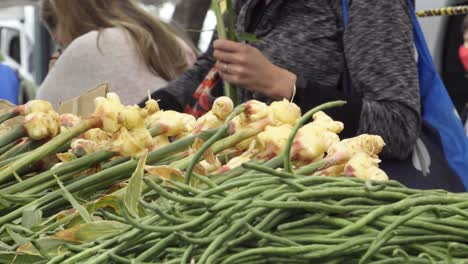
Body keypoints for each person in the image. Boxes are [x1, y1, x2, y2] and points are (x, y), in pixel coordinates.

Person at [147, 0, 420, 161]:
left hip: (323, 214)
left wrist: (287, 87)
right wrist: (147, 113)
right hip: (245, 197)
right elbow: (210, 66)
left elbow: (399, 127)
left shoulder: (368, 5)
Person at [37, 0, 197, 109]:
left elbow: (37, 118)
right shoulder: (173, 42)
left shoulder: (92, 45)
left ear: (67, 16)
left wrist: (60, 68)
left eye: (53, 24)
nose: (56, 38)